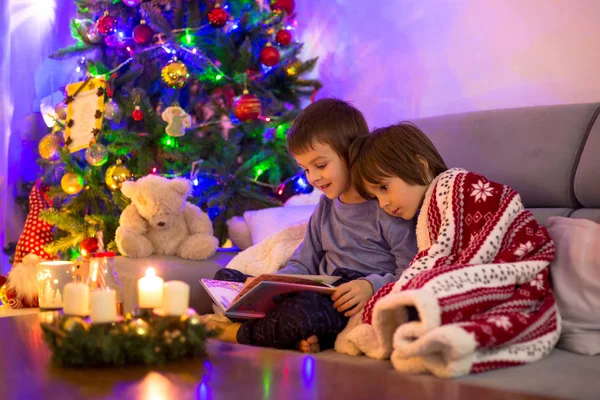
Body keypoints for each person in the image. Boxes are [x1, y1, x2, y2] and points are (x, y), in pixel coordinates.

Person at [336, 122, 559, 377]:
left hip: (515, 256)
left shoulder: (456, 184)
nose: (384, 204)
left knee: (420, 286)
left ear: (420, 166)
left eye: (384, 187)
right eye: (376, 197)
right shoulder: (424, 215)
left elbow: (455, 252)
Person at [206, 99, 418, 352]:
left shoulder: (387, 206)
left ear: (352, 155)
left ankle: (238, 333)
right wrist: (267, 282)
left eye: (320, 165)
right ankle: (293, 335)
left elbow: (413, 273)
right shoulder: (326, 207)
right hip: (318, 290)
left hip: (346, 303)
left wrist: (371, 286)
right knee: (227, 279)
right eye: (305, 169)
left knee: (301, 315)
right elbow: (303, 262)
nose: (313, 177)